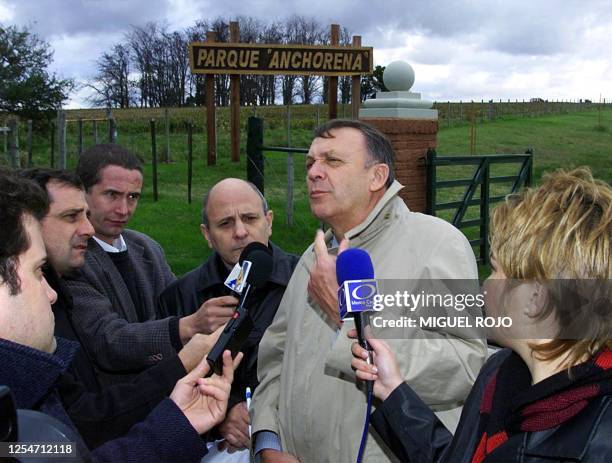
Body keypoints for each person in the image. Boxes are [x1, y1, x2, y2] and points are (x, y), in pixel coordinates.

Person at [250, 120, 487, 462]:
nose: (314, 172)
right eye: (310, 163)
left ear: (377, 176)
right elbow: (275, 360)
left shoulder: (437, 244)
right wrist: (268, 441)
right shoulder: (312, 258)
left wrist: (348, 314)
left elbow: (466, 366)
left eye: (332, 161)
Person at [350, 168, 612, 462]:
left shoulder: (599, 440)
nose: (486, 285)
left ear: (535, 299)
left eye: (497, 270)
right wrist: (394, 391)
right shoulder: (499, 375)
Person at [0, 168, 240, 462]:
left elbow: (74, 454)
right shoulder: (20, 411)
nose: (50, 294)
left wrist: (179, 423)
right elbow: (84, 426)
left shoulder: (145, 248)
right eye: (37, 271)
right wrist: (183, 356)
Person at [158, 178, 299, 456]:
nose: (240, 232)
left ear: (269, 221)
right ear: (207, 234)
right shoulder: (178, 297)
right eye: (225, 224)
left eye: (250, 218)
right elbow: (164, 381)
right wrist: (223, 417)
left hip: (292, 443)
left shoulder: (306, 280)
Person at [63, 144, 218, 386]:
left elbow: (176, 303)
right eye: (111, 195)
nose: (123, 210)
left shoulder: (147, 247)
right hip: (112, 404)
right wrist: (190, 325)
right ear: (82, 193)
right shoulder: (72, 260)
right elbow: (108, 341)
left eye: (132, 197)